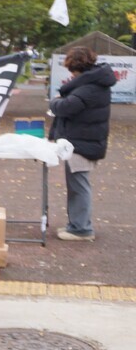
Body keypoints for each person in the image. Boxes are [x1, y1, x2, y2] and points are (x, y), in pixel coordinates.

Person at [49, 46, 116, 241]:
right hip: (86, 139)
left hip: (81, 141)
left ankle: (82, 228)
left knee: (79, 185)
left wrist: (54, 102)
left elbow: (66, 107)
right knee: (78, 184)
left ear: (74, 67)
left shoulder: (88, 87)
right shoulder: (96, 82)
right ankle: (77, 224)